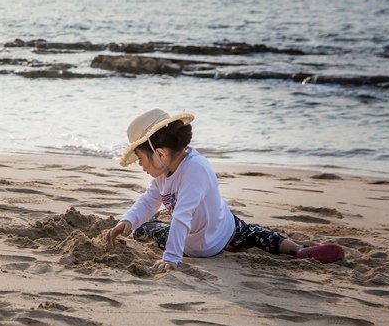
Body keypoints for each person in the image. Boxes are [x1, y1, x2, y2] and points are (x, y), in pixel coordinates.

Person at [106, 109, 345, 273]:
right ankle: (296, 250)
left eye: (140, 158)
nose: (140, 165)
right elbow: (151, 201)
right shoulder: (165, 171)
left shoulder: (194, 169)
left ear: (159, 153)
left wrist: (171, 258)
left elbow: (179, 216)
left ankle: (299, 251)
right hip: (219, 234)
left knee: (152, 227)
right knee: (255, 234)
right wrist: (127, 221)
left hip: (195, 246)